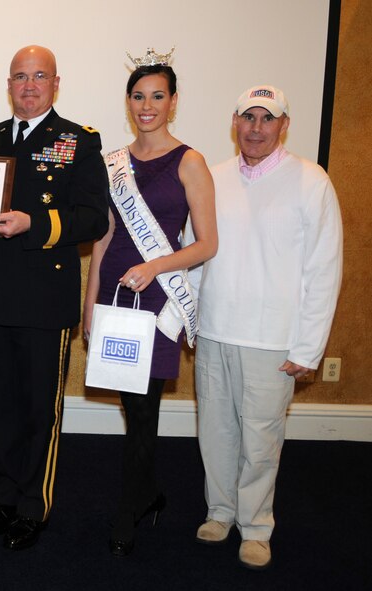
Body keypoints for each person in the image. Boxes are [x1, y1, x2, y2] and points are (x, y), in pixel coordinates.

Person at [0, 45, 109, 550]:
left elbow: (93, 218)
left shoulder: (78, 140)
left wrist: (32, 224)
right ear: (9, 83)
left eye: (40, 76)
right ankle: (3, 498)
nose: (29, 85)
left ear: (55, 83)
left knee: (40, 409)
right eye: (20, 76)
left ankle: (33, 506)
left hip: (44, 298)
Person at [194, 85, 342, 570]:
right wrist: (188, 321)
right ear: (234, 122)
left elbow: (324, 269)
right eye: (248, 118)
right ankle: (220, 512)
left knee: (261, 439)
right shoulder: (211, 178)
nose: (256, 128)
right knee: (215, 432)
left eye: (267, 118)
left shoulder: (311, 181)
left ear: (283, 125)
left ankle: (256, 526)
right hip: (215, 331)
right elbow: (192, 257)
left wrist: (309, 346)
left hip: (273, 339)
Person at [83, 48, 217, 557]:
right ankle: (150, 493)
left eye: (157, 96)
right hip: (117, 293)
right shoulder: (111, 163)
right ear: (128, 102)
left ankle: (127, 511)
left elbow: (206, 243)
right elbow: (103, 237)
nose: (147, 105)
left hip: (159, 298)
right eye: (138, 96)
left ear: (173, 102)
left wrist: (156, 268)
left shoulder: (191, 161)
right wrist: (90, 303)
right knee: (130, 403)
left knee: (144, 409)